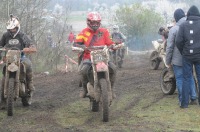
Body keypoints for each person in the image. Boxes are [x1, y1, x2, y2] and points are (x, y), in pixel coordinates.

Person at [73, 12, 117, 98]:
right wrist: (82, 47)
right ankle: (84, 89)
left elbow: (110, 42)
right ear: (89, 22)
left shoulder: (104, 32)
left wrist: (113, 46)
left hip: (103, 57)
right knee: (83, 70)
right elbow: (76, 44)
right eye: (93, 22)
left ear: (100, 22)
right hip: (88, 57)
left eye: (97, 22)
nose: (95, 24)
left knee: (113, 68)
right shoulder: (83, 32)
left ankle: (111, 89)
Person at [0, 15, 37, 109]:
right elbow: (0, 45)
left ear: (17, 27)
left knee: (28, 64)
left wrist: (30, 47)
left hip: (21, 57)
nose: (12, 30)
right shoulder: (5, 35)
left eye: (14, 28)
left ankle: (30, 86)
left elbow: (30, 43)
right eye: (10, 29)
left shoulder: (22, 35)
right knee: (4, 75)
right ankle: (3, 101)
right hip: (9, 58)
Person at [166, 8, 197, 106]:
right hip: (191, 57)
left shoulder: (174, 29)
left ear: (176, 18)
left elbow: (170, 47)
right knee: (190, 77)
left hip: (178, 59)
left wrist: (168, 60)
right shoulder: (192, 25)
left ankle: (183, 100)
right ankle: (193, 98)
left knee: (179, 78)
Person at [176, 5, 200, 108]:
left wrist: (183, 52)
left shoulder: (183, 25)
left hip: (187, 56)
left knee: (186, 78)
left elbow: (178, 41)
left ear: (188, 15)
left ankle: (184, 104)